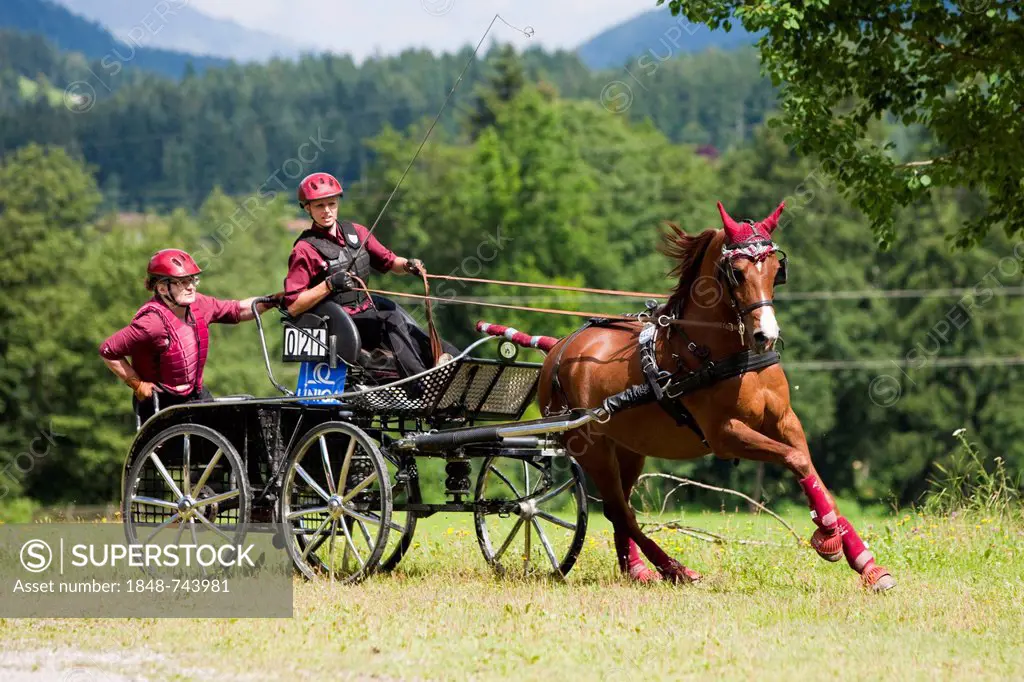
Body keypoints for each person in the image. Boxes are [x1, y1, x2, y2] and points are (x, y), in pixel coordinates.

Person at [281, 171, 458, 378]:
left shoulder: (357, 232)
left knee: (403, 322)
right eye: (320, 206)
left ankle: (452, 359)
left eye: (332, 204)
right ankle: (419, 381)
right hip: (339, 324)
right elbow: (293, 306)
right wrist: (329, 284)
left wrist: (409, 265)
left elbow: (390, 261)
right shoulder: (304, 250)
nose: (327, 211)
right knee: (390, 319)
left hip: (367, 312)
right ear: (308, 208)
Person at [99, 248, 277, 423]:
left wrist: (274, 300)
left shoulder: (200, 304)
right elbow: (108, 351)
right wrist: (137, 384)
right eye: (182, 282)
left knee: (226, 433)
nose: (191, 287)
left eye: (192, 280)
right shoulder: (151, 324)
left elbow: (238, 309)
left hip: (194, 394)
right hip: (160, 402)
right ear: (162, 288)